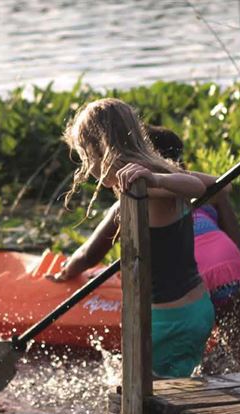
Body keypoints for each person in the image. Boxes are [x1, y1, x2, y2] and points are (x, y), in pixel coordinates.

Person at [55, 122, 240, 373]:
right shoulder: (198, 189)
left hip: (188, 285)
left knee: (176, 367)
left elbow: (87, 256)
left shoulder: (135, 199)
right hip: (231, 271)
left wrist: (65, 272)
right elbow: (237, 243)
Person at [60, 98, 215, 378]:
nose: (86, 168)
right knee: (175, 390)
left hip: (168, 321)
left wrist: (156, 180)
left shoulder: (146, 183)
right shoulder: (159, 171)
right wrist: (163, 176)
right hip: (197, 309)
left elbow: (194, 186)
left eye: (85, 158)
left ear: (98, 150)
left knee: (140, 401)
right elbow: (210, 182)